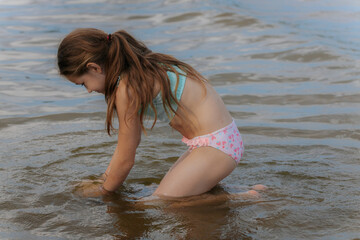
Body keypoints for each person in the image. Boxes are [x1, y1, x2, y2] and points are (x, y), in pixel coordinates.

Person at [57, 28, 265, 200]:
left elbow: (125, 157)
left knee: (160, 202)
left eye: (83, 83)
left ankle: (246, 199)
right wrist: (105, 178)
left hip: (215, 147)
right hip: (216, 142)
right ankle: (241, 192)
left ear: (94, 68)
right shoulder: (141, 69)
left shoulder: (127, 87)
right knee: (160, 192)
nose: (89, 90)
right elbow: (128, 147)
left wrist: (105, 192)